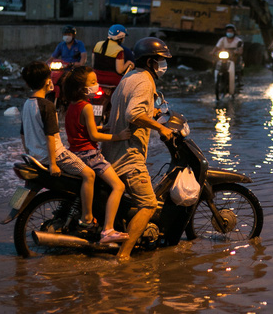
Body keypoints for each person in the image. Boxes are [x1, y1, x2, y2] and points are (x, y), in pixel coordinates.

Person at [101, 37, 174, 260]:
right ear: (151, 61)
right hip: (128, 155)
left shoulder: (129, 77)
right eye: (161, 60)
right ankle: (124, 256)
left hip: (111, 150)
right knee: (149, 204)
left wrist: (153, 113)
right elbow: (133, 114)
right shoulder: (144, 81)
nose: (164, 65)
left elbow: (121, 108)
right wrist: (160, 129)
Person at [20, 61, 96, 229]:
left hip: (35, 156)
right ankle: (88, 217)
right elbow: (50, 136)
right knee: (89, 175)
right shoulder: (47, 105)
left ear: (27, 83)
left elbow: (23, 134)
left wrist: (31, 152)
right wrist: (53, 164)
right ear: (48, 81)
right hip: (56, 155)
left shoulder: (26, 104)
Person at [63, 66, 132, 244]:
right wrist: (118, 136)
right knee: (119, 186)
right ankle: (108, 229)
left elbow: (82, 129)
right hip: (90, 156)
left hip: (75, 153)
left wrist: (103, 127)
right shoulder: (86, 106)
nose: (97, 85)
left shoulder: (71, 106)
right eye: (92, 82)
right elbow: (93, 136)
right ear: (81, 88)